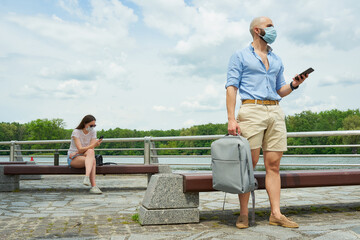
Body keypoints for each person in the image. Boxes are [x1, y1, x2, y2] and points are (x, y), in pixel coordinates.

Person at [226, 16, 309, 229]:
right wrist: (231, 119)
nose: (274, 29)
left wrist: (294, 84)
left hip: (275, 110)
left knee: (274, 165)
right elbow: (231, 87)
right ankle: (243, 214)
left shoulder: (277, 59)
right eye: (270, 26)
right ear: (257, 30)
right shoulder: (240, 55)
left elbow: (281, 90)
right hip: (251, 109)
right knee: (248, 165)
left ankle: (276, 214)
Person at [67, 114, 103, 194]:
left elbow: (91, 149)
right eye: (91, 125)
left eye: (94, 125)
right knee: (92, 160)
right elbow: (80, 148)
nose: (92, 127)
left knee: (91, 152)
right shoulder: (76, 132)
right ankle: (93, 186)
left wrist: (79, 152)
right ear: (85, 123)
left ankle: (87, 178)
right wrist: (77, 152)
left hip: (84, 156)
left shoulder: (93, 132)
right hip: (73, 158)